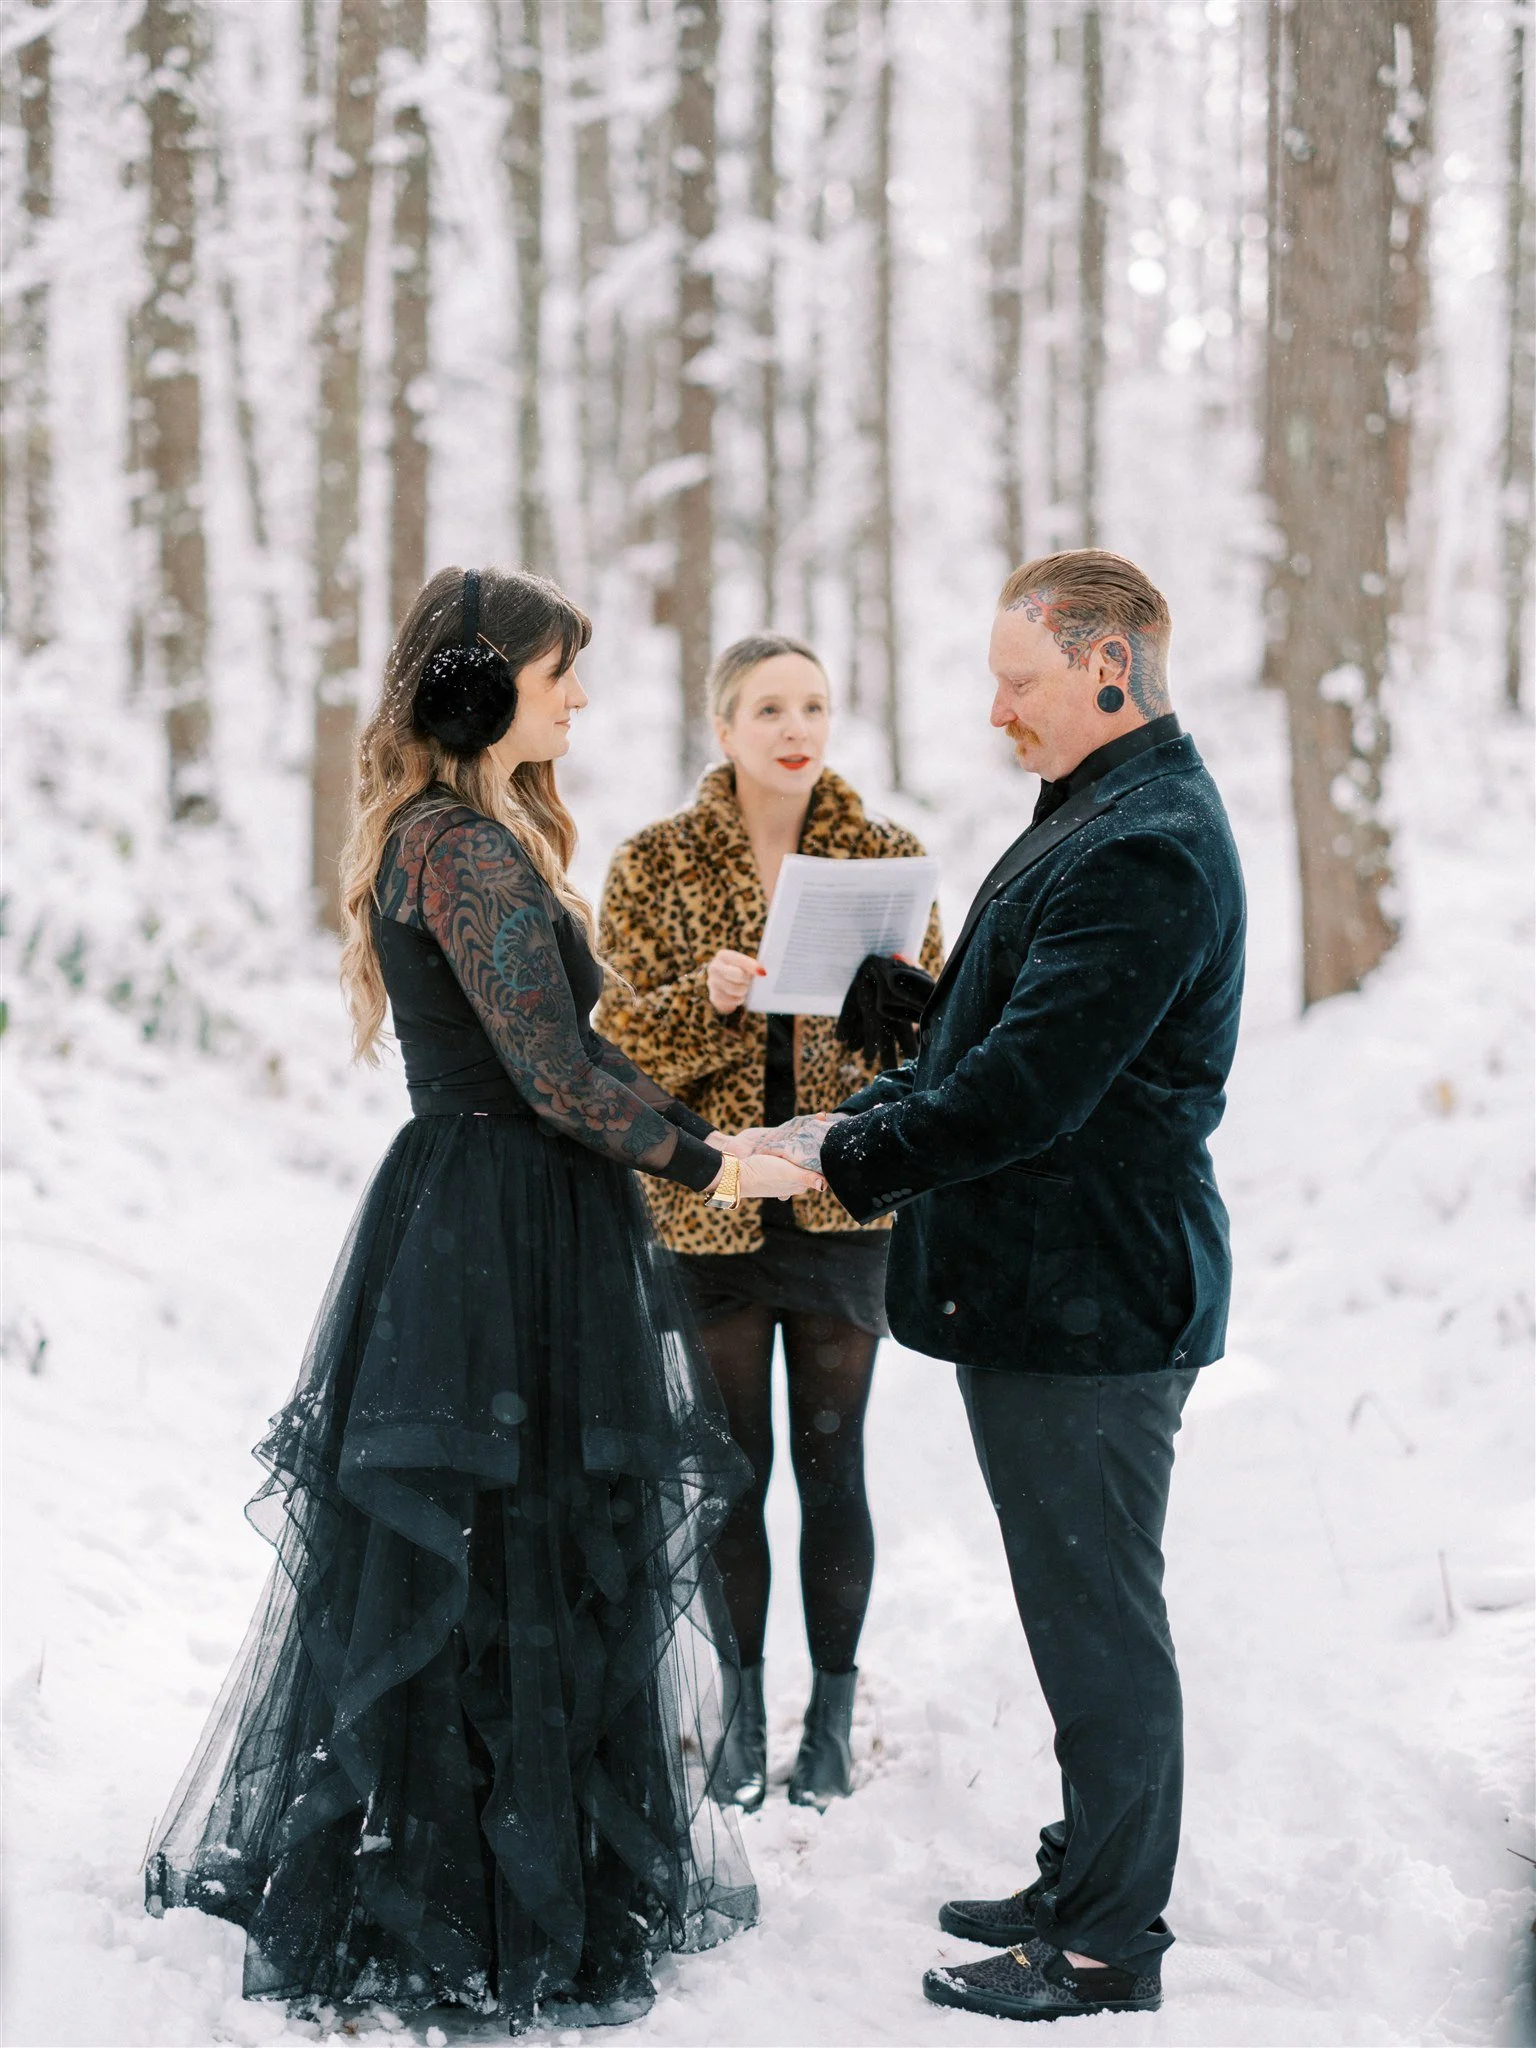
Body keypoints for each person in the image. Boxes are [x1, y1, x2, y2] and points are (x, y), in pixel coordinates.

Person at [143, 569, 823, 2029]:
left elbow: (570, 1053)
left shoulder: (476, 836)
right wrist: (716, 1159)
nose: (578, 699)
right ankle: (459, 1893)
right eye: (559, 673)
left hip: (523, 1212)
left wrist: (719, 1122)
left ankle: (507, 1863)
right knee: (492, 1547)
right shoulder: (450, 843)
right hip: (492, 1225)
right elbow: (552, 1075)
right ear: (483, 685)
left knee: (532, 1544)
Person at [751, 551, 1246, 2023]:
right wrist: (913, 1010)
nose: (995, 712)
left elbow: (1034, 1091)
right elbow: (1028, 1020)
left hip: (1093, 1295)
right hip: (1048, 1290)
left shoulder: (1148, 841)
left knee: (1099, 1622)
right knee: (1071, 1608)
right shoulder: (1099, 806)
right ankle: (1080, 1869)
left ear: (1108, 667)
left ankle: (1104, 1945)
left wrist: (838, 1154)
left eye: (1016, 682)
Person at [595, 634, 943, 1813]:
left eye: (816, 705)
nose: (797, 727)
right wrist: (708, 994)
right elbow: (613, 1046)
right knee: (731, 1473)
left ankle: (832, 1721)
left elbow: (932, 1048)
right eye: (769, 707)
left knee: (832, 1461)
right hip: (710, 1207)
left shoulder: (886, 856)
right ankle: (740, 1720)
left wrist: (892, 1001)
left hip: (844, 1203)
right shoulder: (652, 863)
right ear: (723, 725)